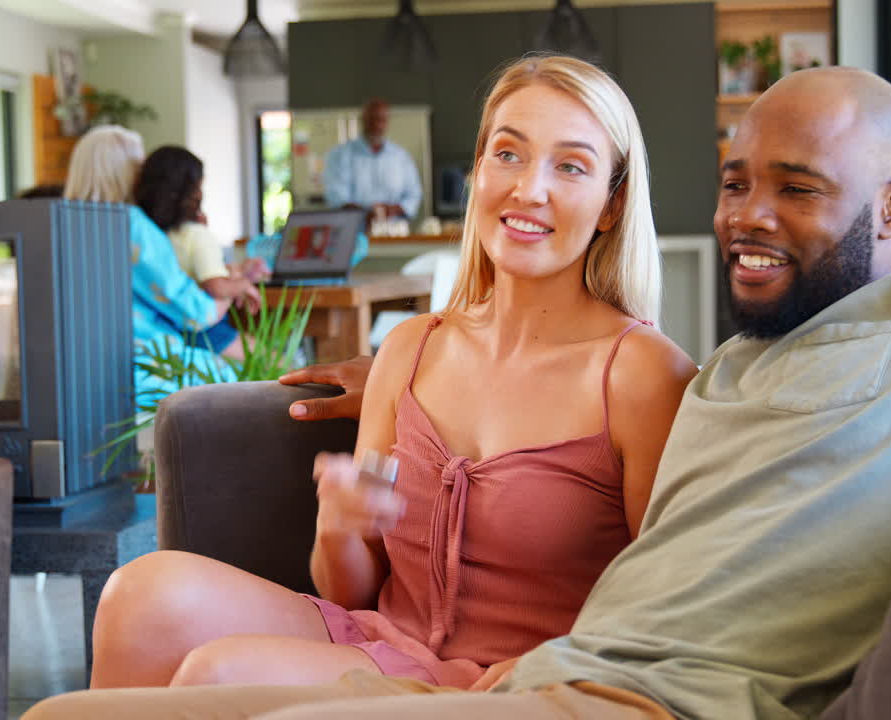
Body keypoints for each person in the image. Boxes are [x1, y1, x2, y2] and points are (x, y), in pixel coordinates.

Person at [25, 66, 891, 720]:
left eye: (798, 188)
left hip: (575, 681)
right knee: (72, 692)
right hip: (527, 669)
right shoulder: (735, 365)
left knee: (227, 688)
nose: (748, 216)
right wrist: (363, 455)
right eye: (736, 182)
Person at [74, 55, 697, 693]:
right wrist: (341, 524)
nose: (528, 189)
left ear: (612, 204)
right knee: (137, 593)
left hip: (515, 684)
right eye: (508, 154)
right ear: (479, 170)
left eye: (570, 166)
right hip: (382, 641)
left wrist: (564, 662)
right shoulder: (409, 349)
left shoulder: (644, 375)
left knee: (219, 673)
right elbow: (351, 589)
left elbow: (673, 601)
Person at [63, 125, 236, 395]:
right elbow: (193, 311)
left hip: (79, 361)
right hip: (139, 360)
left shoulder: (66, 222)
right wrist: (229, 289)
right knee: (235, 374)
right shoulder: (130, 224)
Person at [134, 145, 270, 358]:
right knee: (274, 359)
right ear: (193, 192)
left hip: (171, 326)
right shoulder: (196, 235)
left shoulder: (150, 234)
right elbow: (215, 286)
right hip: (206, 331)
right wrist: (242, 284)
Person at [323, 99, 423, 225]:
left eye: (382, 120)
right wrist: (367, 213)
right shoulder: (339, 155)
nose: (377, 125)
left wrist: (391, 210)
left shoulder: (401, 157)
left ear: (387, 122)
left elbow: (413, 196)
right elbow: (336, 198)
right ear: (363, 120)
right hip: (354, 233)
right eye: (372, 119)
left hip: (395, 234)